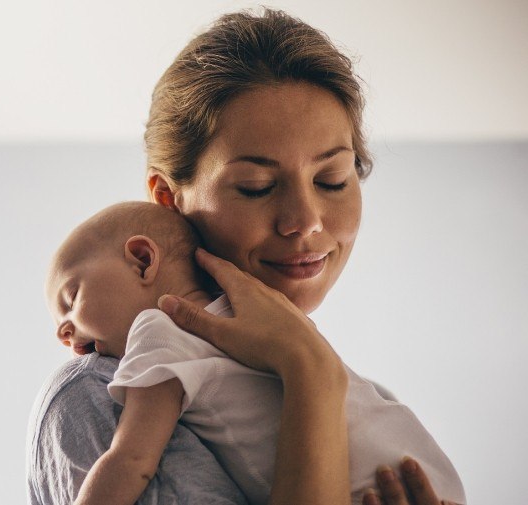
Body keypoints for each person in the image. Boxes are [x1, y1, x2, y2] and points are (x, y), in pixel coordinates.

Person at [27, 8, 463, 505]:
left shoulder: (367, 407)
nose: (304, 220)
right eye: (256, 187)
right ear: (169, 198)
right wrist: (309, 373)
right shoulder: (96, 394)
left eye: (332, 180)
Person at [43, 201, 465, 505]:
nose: (64, 331)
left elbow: (132, 458)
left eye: (72, 297)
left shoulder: (159, 330)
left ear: (141, 260)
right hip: (424, 473)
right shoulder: (269, 321)